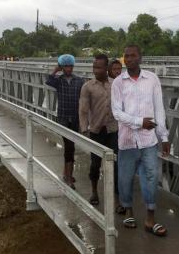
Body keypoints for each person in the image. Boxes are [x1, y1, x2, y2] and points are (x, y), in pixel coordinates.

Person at [111, 45, 170, 237]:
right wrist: (139, 122)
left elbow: (159, 108)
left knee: (151, 177)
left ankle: (150, 218)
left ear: (140, 58)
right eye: (126, 56)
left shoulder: (152, 79)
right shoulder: (118, 83)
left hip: (149, 140)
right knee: (125, 178)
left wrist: (164, 136)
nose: (129, 59)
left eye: (133, 55)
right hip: (127, 140)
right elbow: (117, 112)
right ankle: (128, 211)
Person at [79, 54, 123, 211]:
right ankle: (94, 191)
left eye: (99, 67)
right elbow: (83, 110)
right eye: (94, 67)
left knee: (116, 165)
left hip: (113, 129)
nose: (96, 70)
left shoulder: (116, 84)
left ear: (106, 68)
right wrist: (84, 130)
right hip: (96, 130)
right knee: (95, 163)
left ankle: (117, 200)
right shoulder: (88, 86)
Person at [46, 54, 84, 188]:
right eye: (65, 66)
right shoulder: (58, 81)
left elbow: (84, 98)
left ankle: (66, 173)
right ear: (62, 67)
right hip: (62, 118)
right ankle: (68, 177)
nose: (68, 68)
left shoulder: (79, 81)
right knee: (69, 147)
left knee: (70, 146)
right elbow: (48, 80)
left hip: (75, 118)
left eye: (70, 66)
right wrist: (56, 70)